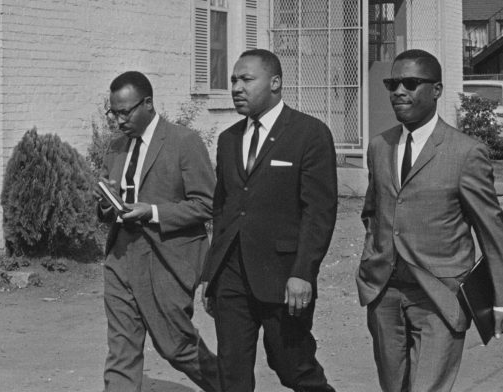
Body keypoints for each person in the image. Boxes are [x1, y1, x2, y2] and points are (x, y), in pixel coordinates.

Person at [356, 49, 503, 392]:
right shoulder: (379, 147)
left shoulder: (465, 152)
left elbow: (492, 231)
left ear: (437, 89)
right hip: (385, 292)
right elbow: (373, 211)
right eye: (393, 83)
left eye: (411, 83)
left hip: (440, 295)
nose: (399, 91)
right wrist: (373, 257)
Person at [200, 49, 338, 392]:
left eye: (247, 79)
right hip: (232, 275)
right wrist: (211, 275)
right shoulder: (228, 139)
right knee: (231, 372)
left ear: (275, 83)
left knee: (293, 367)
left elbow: (318, 212)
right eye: (233, 79)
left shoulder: (309, 134)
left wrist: (303, 272)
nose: (236, 87)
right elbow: (223, 209)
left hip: (282, 276)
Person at [95, 71, 219, 392]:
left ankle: (230, 385)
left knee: (175, 345)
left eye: (125, 112)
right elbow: (108, 211)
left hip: (166, 257)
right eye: (113, 113)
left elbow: (206, 205)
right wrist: (108, 201)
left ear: (147, 104)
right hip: (121, 256)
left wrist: (151, 211)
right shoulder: (115, 147)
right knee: (122, 351)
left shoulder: (183, 142)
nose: (118, 120)